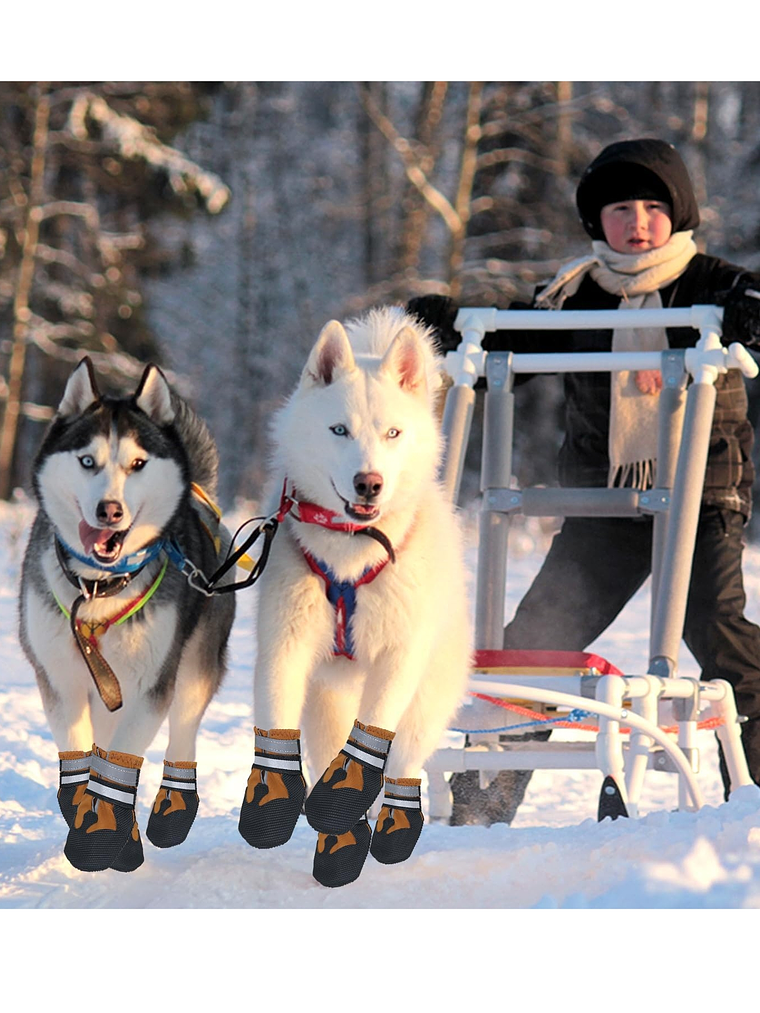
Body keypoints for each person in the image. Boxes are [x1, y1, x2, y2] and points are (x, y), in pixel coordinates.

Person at [409, 138, 760, 825]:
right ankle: (481, 804)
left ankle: (752, 800)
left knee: (718, 632)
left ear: (679, 213)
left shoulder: (711, 283)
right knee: (534, 641)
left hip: (697, 499)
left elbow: (753, 306)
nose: (638, 223)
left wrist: (748, 312)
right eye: (620, 209)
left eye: (653, 207)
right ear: (596, 220)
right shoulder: (577, 293)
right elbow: (514, 343)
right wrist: (453, 327)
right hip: (606, 506)